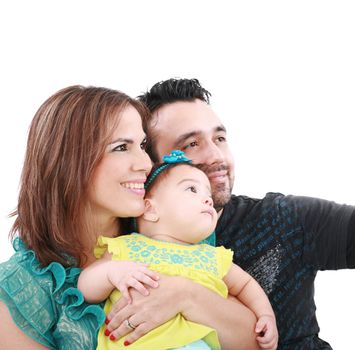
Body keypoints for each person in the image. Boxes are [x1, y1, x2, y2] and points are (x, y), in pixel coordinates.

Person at [102, 76, 355, 349]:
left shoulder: (283, 219)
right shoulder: (120, 244)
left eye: (220, 137)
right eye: (191, 144)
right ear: (151, 165)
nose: (216, 156)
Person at [0, 85, 258, 349]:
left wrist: (186, 295)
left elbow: (255, 342)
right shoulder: (19, 289)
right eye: (122, 147)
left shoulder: (170, 225)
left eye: (143, 145)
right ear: (69, 162)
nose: (146, 163)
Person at [78, 150, 278, 350]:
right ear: (150, 209)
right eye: (192, 189)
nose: (208, 199)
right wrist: (111, 272)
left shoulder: (212, 257)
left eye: (208, 194)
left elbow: (246, 286)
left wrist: (265, 315)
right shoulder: (126, 247)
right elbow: (85, 288)